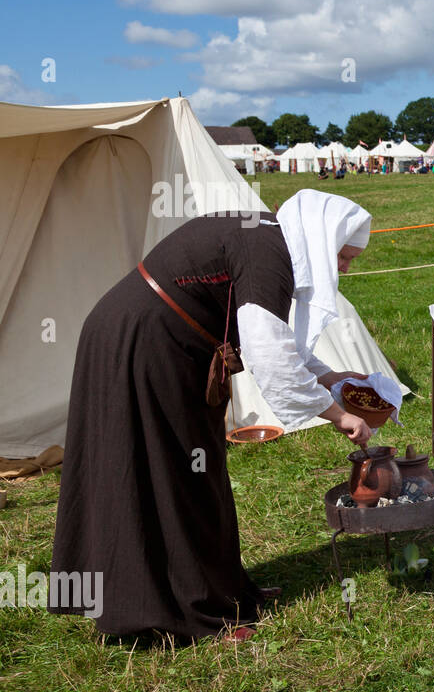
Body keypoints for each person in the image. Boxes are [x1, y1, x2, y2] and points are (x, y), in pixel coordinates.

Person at [50, 190, 376, 643]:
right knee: (170, 475)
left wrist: (329, 376)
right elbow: (267, 353)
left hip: (159, 342)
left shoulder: (268, 240)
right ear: (321, 239)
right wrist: (337, 415)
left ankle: (222, 595)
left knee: (195, 472)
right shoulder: (266, 250)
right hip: (145, 343)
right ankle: (187, 615)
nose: (344, 268)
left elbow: (276, 339)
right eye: (343, 256)